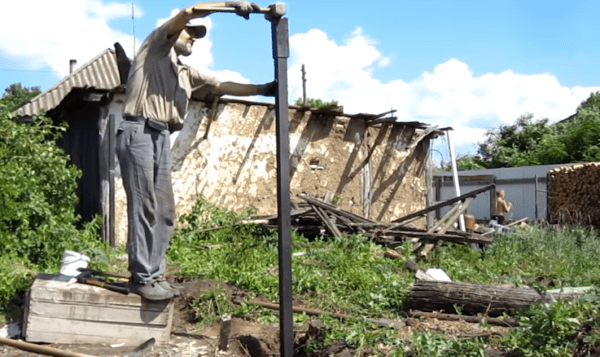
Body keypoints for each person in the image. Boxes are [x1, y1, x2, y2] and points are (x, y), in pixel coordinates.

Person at [116, 1, 275, 300]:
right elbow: (189, 12)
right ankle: (141, 277)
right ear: (173, 31)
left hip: (161, 136)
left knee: (164, 211)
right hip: (138, 131)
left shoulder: (184, 72)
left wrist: (264, 89)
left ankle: (155, 275)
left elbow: (219, 85)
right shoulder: (154, 47)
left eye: (196, 35)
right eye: (189, 34)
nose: (193, 38)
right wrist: (229, 5)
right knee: (145, 204)